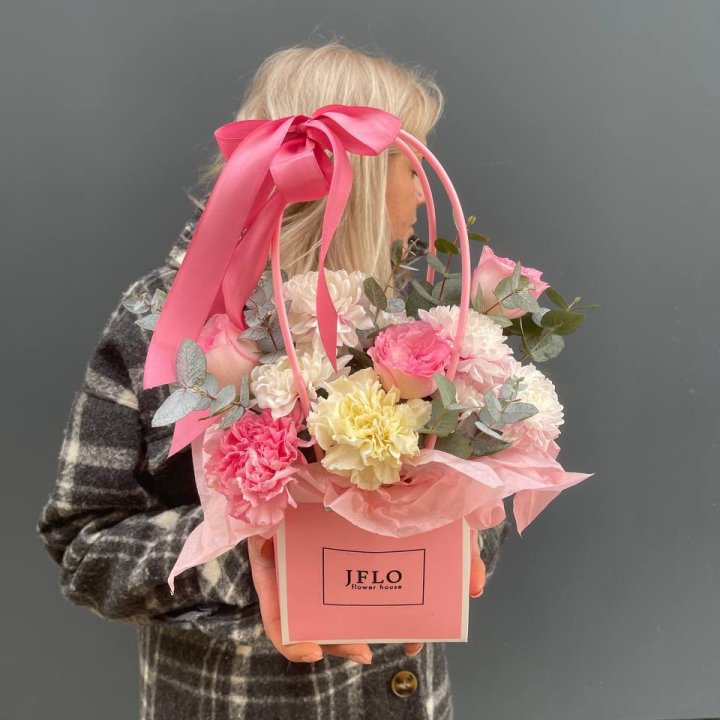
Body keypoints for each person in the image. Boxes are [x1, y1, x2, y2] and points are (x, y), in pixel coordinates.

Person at [37, 40, 512, 720]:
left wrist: (452, 524)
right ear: (356, 179)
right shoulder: (165, 324)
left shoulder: (416, 319)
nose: (421, 189)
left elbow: (478, 493)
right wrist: (252, 551)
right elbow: (84, 549)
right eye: (409, 164)